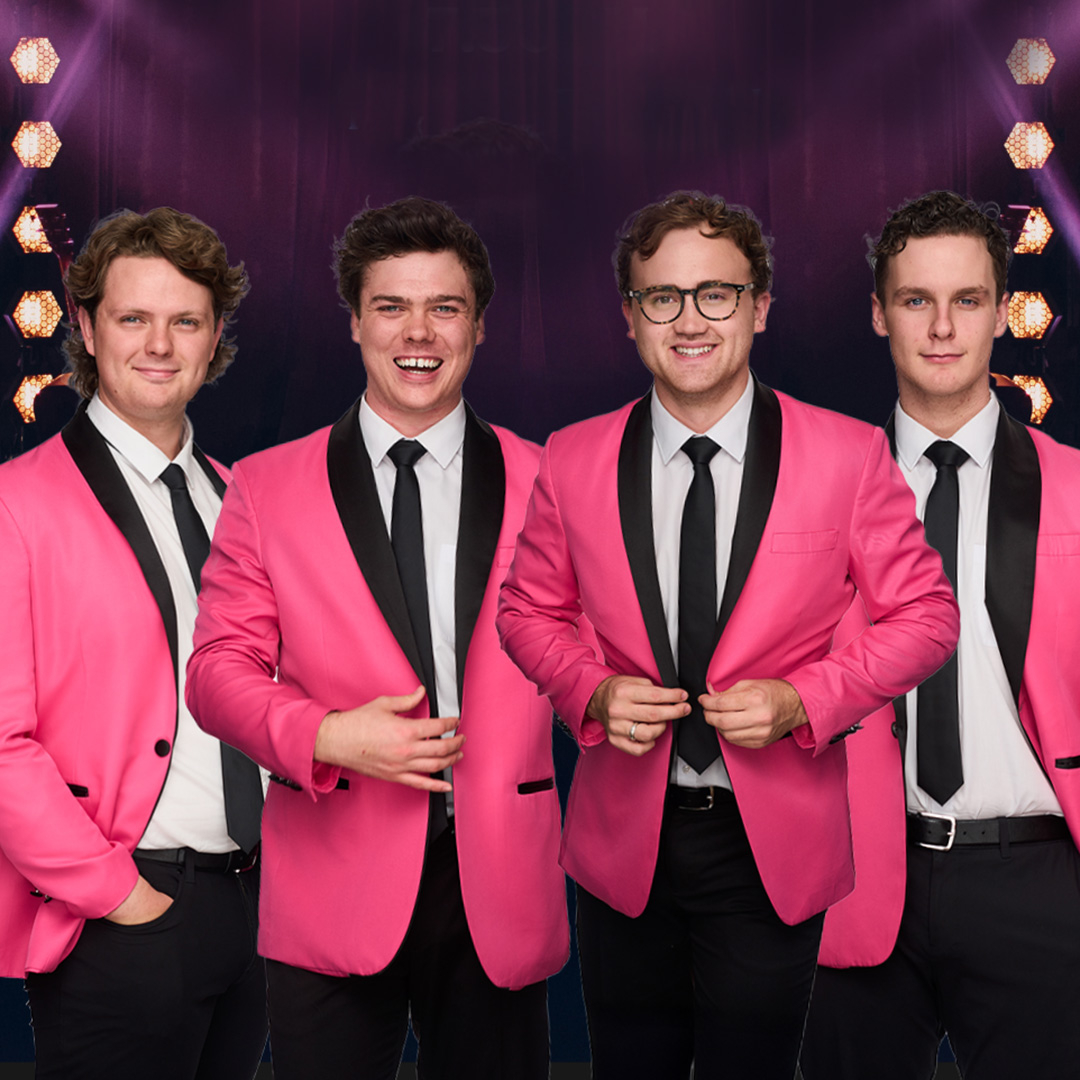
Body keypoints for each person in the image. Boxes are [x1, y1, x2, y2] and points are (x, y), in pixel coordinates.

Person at [495, 190, 960, 1080]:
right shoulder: (574, 456)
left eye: (717, 293)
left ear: (759, 307)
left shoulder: (848, 454)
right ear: (632, 318)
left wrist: (805, 699)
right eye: (662, 297)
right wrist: (587, 689)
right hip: (623, 841)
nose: (690, 319)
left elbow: (928, 615)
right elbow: (527, 610)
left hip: (774, 841)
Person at [186, 196, 568, 1080]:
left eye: (444, 307)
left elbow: (595, 652)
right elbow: (216, 672)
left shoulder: (550, 479)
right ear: (356, 322)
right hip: (331, 870)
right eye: (391, 306)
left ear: (478, 326)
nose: (417, 332)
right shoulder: (265, 486)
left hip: (499, 881)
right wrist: (325, 734)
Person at [801, 190, 1080, 1079]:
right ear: (879, 314)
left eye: (967, 300)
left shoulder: (1076, 488)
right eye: (916, 300)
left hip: (1033, 879)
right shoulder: (816, 491)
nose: (942, 328)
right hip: (855, 876)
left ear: (1004, 310)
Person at [0, 208, 266, 1080]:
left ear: (215, 334)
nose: (160, 344)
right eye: (132, 318)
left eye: (185, 319)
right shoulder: (17, 504)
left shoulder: (244, 500)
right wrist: (121, 898)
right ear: (83, 327)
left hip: (258, 906)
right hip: (122, 911)